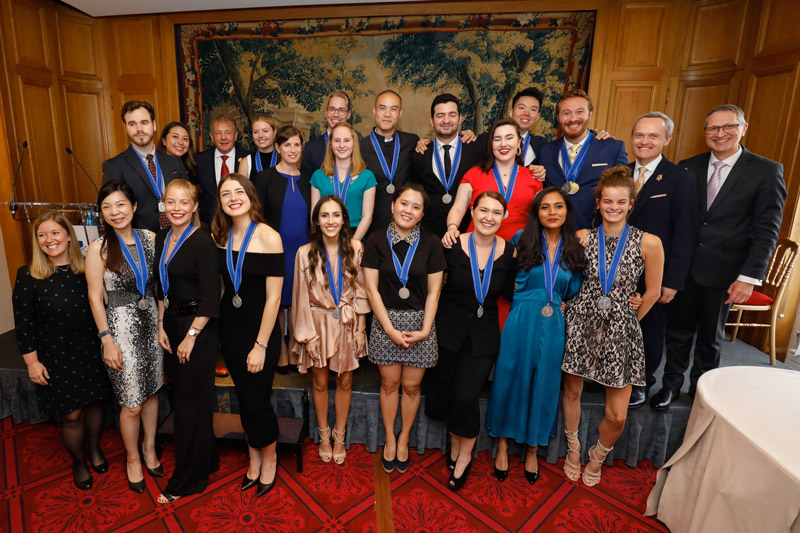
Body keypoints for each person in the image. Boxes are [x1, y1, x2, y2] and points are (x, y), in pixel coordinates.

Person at [653, 105, 787, 409]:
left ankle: (702, 390)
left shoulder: (766, 171)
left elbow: (768, 230)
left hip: (727, 271)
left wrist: (749, 277)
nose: (720, 134)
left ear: (744, 128)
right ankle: (670, 385)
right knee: (677, 331)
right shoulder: (688, 166)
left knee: (710, 337)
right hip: (684, 267)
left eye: (728, 127)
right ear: (705, 134)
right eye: (712, 128)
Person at [561, 167, 664, 486]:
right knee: (572, 390)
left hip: (621, 329)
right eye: (608, 201)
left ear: (631, 204)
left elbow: (653, 292)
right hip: (581, 322)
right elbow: (564, 277)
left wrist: (629, 320)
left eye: (621, 202)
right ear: (598, 203)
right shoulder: (581, 237)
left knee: (618, 413)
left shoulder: (650, 243)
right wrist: (563, 302)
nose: (614, 207)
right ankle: (574, 448)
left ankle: (598, 455)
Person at [485, 187, 584, 485]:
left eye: (558, 207)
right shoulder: (521, 240)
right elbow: (502, 276)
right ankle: (502, 443)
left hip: (554, 321)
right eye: (545, 207)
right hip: (520, 317)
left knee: (545, 383)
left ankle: (532, 448)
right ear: (536, 212)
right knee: (509, 376)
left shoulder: (575, 248)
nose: (552, 212)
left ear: (566, 210)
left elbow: (575, 289)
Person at [423, 191, 516, 490]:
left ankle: (464, 456)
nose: (489, 217)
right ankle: (453, 444)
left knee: (465, 396)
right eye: (483, 210)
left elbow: (510, 295)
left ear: (504, 217)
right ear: (471, 212)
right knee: (446, 394)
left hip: (483, 337)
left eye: (496, 212)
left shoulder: (510, 253)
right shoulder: (450, 245)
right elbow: (433, 287)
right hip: (447, 333)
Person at [12, 213, 112, 490]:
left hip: (91, 348)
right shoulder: (28, 275)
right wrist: (32, 363)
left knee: (94, 402)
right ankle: (79, 461)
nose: (49, 240)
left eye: (55, 233)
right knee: (72, 413)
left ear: (69, 236)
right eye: (42, 235)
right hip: (56, 355)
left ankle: (94, 449)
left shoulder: (87, 269)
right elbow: (23, 325)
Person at [86, 180, 164, 494]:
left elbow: (160, 287)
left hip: (151, 326)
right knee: (131, 403)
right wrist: (106, 340)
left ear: (133, 207)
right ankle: (133, 458)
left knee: (153, 390)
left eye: (121, 204)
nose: (115, 212)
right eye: (108, 207)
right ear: (102, 214)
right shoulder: (99, 248)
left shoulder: (151, 239)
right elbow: (94, 297)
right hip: (120, 330)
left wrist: (161, 325)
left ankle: (149, 448)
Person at [362, 183, 446, 474]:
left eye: (416, 206)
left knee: (411, 387)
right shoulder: (375, 240)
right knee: (389, 385)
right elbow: (371, 290)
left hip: (421, 323)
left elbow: (435, 292)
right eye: (403, 203)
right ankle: (388, 438)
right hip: (386, 321)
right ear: (392, 205)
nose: (408, 210)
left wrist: (424, 329)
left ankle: (404, 438)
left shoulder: (432, 242)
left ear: (422, 213)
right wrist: (388, 329)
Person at [213, 173, 284, 497]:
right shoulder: (221, 236)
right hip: (231, 328)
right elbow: (226, 287)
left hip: (261, 331)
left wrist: (261, 345)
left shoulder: (269, 237)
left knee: (257, 401)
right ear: (221, 202)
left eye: (238, 191)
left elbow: (273, 299)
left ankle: (269, 458)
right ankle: (253, 459)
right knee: (245, 397)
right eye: (226, 194)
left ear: (250, 196)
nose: (233, 198)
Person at [624, 112, 699, 409]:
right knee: (617, 325)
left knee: (648, 330)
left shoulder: (680, 179)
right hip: (617, 269)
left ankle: (642, 382)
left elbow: (685, 232)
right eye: (639, 135)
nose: (644, 142)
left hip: (654, 273)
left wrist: (672, 280)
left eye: (653, 136)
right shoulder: (620, 173)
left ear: (667, 139)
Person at [154, 179, 220, 503]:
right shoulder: (164, 237)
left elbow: (211, 298)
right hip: (171, 326)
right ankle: (207, 460)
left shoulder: (204, 242)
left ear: (195, 206)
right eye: (171, 202)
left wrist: (191, 336)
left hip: (198, 331)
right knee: (185, 399)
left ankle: (185, 480)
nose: (176, 208)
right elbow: (159, 287)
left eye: (184, 202)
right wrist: (160, 325)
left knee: (188, 407)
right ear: (163, 204)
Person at [291, 196, 370, 465]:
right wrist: (307, 336)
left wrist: (360, 329)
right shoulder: (304, 252)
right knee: (321, 382)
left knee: (345, 381)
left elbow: (361, 292)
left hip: (347, 324)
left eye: (336, 215)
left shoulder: (356, 248)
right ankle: (324, 435)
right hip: (317, 324)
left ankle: (340, 436)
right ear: (317, 221)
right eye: (324, 216)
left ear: (344, 220)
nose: (331, 221)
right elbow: (300, 297)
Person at [253, 125, 311, 374]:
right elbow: (257, 214)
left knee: (299, 299)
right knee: (276, 300)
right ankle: (282, 349)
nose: (292, 150)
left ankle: (296, 345)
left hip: (303, 250)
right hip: (275, 249)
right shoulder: (264, 177)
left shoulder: (310, 178)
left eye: (297, 145)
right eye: (287, 145)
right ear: (277, 148)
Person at [442, 118, 543, 246]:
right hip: (477, 246)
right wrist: (452, 228)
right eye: (497, 139)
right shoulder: (473, 174)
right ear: (491, 145)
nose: (503, 144)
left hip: (520, 248)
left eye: (509, 138)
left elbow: (540, 216)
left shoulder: (534, 177)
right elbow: (458, 208)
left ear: (519, 143)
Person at [540, 89, 628, 229]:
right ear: (558, 117)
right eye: (566, 113)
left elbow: (624, 193)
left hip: (596, 234)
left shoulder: (612, 148)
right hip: (555, 234)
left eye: (580, 111)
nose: (573, 118)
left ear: (590, 114)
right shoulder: (545, 151)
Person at [102, 101, 188, 232]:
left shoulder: (174, 162)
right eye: (132, 124)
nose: (139, 129)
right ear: (125, 128)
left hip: (177, 236)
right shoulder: (114, 166)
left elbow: (188, 199)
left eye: (144, 122)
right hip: (140, 242)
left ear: (153, 125)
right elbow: (112, 210)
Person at [411, 93, 482, 237]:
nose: (446, 120)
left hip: (467, 233)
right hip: (429, 234)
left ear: (460, 118)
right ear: (432, 121)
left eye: (452, 115)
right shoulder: (420, 153)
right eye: (440, 115)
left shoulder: (476, 150)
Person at [360, 90, 420, 233]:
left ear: (400, 113)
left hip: (407, 228)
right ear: (374, 111)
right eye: (382, 108)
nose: (387, 114)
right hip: (372, 229)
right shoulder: (360, 148)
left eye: (394, 109)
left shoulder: (412, 142)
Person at [311, 123, 377, 241]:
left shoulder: (367, 177)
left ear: (354, 143)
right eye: (337, 140)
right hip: (325, 237)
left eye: (346, 140)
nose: (342, 145)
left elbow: (367, 217)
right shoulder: (318, 176)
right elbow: (314, 215)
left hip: (355, 236)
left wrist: (354, 243)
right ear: (331, 144)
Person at [195, 112, 250, 226]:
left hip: (241, 224)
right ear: (212, 137)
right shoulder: (199, 160)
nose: (223, 137)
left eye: (228, 132)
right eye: (218, 133)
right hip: (209, 226)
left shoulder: (249, 158)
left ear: (235, 135)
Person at [301, 90, 352, 177]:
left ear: (348, 114)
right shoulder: (311, 149)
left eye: (341, 110)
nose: (335, 115)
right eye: (332, 109)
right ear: (326, 112)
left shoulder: (359, 148)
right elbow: (305, 185)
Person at [239, 114, 280, 179]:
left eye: (265, 131)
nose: (260, 135)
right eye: (256, 132)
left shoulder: (283, 159)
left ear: (275, 133)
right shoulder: (246, 162)